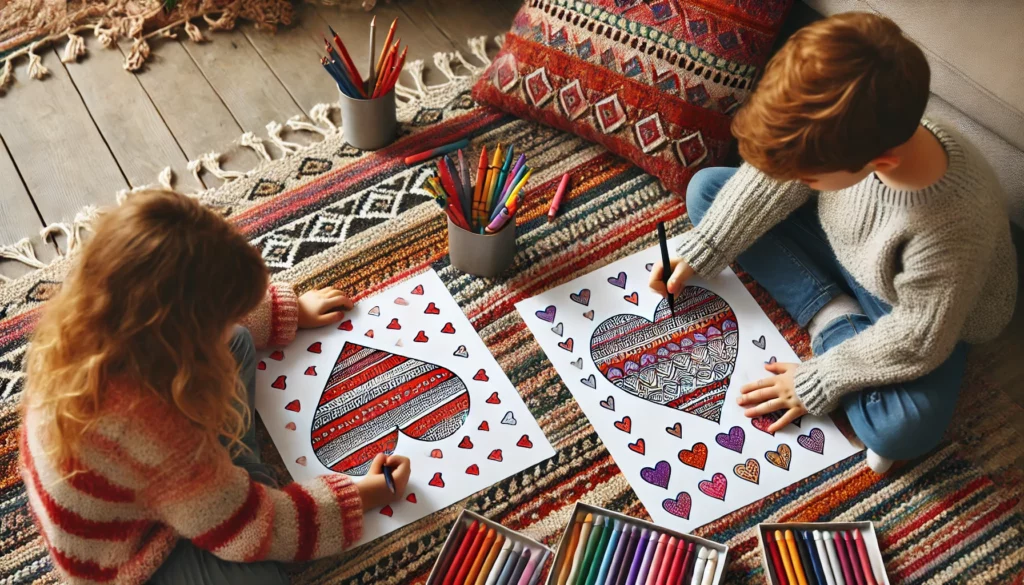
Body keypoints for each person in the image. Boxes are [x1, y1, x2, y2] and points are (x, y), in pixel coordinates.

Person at [650, 13, 1017, 474]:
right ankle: (835, 308)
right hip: (850, 249)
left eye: (806, 174)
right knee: (708, 191)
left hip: (920, 316)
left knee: (905, 427)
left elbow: (920, 339)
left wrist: (818, 379)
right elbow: (785, 173)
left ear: (880, 161)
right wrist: (707, 245)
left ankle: (832, 320)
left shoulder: (950, 230)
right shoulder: (860, 134)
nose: (794, 177)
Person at [20, 190, 411, 585]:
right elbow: (255, 530)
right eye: (217, 320)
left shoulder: (93, 318)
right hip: (133, 560)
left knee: (238, 341)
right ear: (182, 341)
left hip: (140, 488)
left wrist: (282, 311)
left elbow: (193, 300)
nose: (227, 321)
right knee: (264, 575)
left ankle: (232, 489)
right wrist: (362, 496)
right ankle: (236, 490)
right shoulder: (153, 431)